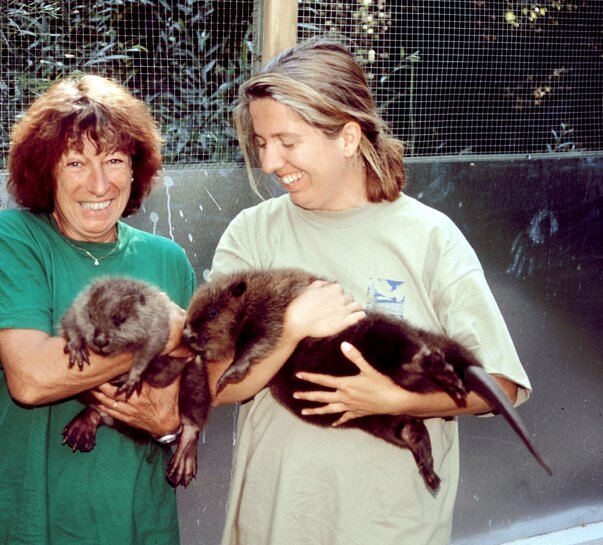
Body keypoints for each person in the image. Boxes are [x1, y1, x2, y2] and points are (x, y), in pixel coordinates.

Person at [206, 38, 532, 545]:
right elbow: (212, 382)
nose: (269, 162)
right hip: (275, 520)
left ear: (348, 136)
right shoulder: (252, 234)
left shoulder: (429, 237)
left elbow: (501, 386)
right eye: (261, 142)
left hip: (391, 527)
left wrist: (394, 399)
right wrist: (289, 329)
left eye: (287, 141)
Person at [0, 74, 196, 545]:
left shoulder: (167, 260)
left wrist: (172, 428)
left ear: (136, 169)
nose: (99, 183)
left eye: (114, 160)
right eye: (75, 162)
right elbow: (31, 378)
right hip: (23, 521)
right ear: (47, 171)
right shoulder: (15, 239)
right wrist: (161, 334)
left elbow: (183, 397)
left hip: (134, 522)